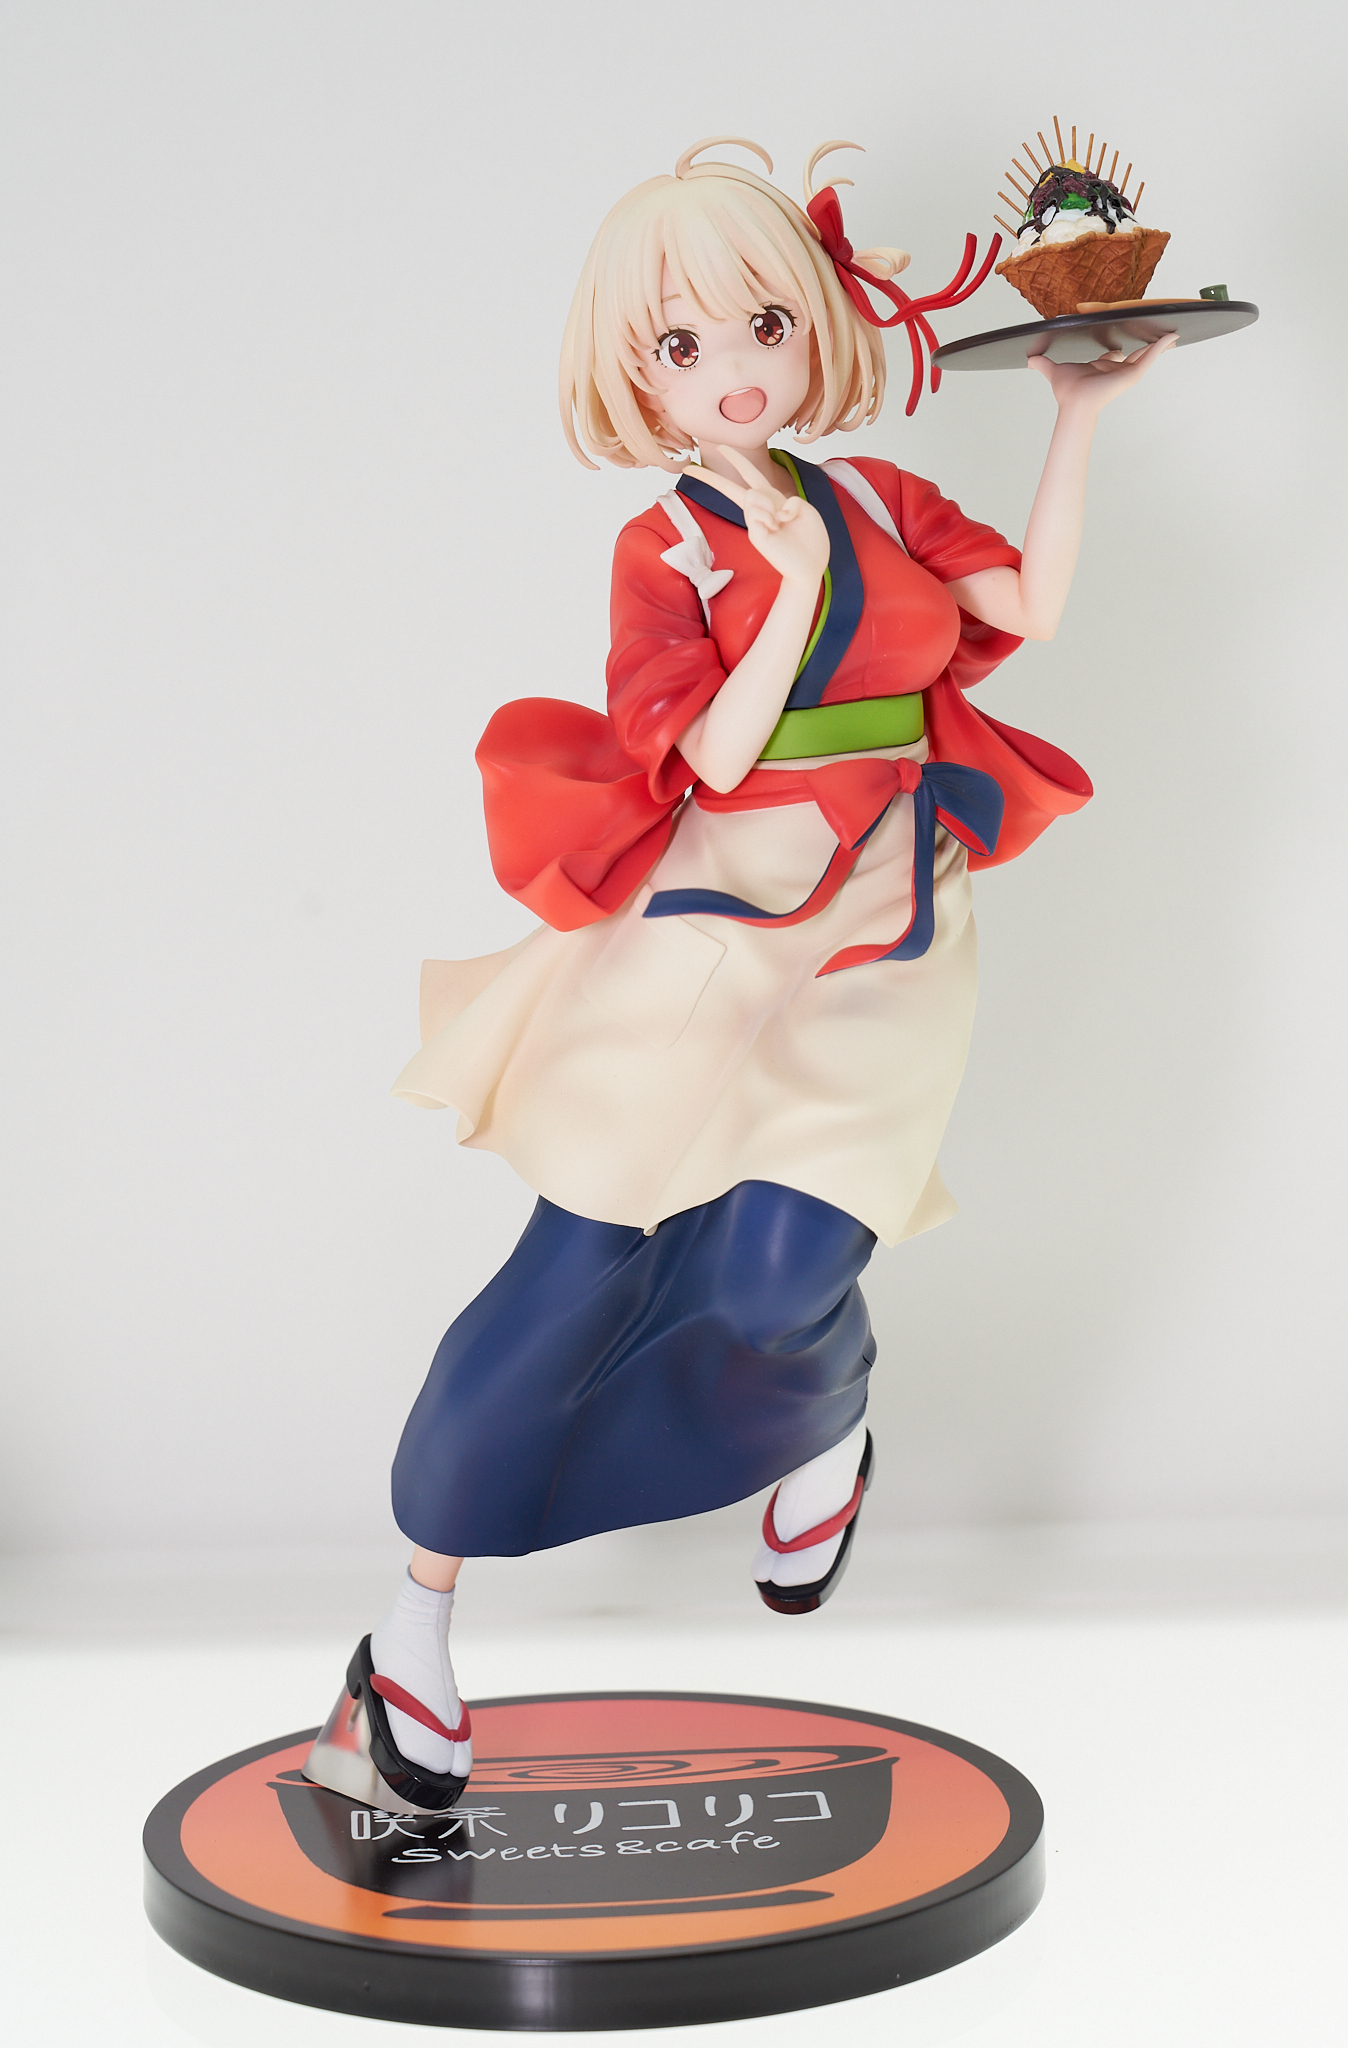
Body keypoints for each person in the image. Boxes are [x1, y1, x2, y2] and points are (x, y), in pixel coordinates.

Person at [304, 137, 1171, 1817]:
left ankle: (819, 1426)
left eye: (762, 324)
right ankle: (413, 1628)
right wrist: (782, 587)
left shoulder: (882, 498)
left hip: (887, 905)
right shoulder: (665, 544)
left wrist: (1077, 415)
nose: (731, 372)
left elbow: (1028, 608)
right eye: (679, 345)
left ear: (814, 324)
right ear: (633, 376)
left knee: (789, 1267)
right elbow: (703, 749)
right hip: (708, 913)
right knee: (578, 1261)